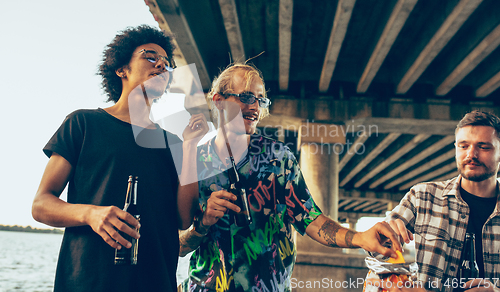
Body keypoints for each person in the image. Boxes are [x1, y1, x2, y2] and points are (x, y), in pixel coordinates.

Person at [178, 63, 402, 292]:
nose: (254, 106)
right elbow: (179, 244)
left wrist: (360, 238)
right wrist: (203, 222)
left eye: (260, 99)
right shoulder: (195, 160)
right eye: (246, 96)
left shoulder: (278, 160)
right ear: (218, 100)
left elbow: (311, 219)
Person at [32, 25, 206, 292]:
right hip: (88, 281)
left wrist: (191, 147)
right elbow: (41, 205)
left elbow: (183, 220)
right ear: (121, 69)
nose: (161, 65)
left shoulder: (175, 143)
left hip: (156, 282)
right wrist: (90, 213)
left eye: (167, 64)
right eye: (150, 56)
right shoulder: (82, 123)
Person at [386, 110, 500, 292]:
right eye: (464, 146)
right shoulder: (422, 196)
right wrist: (386, 234)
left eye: (484, 147)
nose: (472, 154)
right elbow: (376, 249)